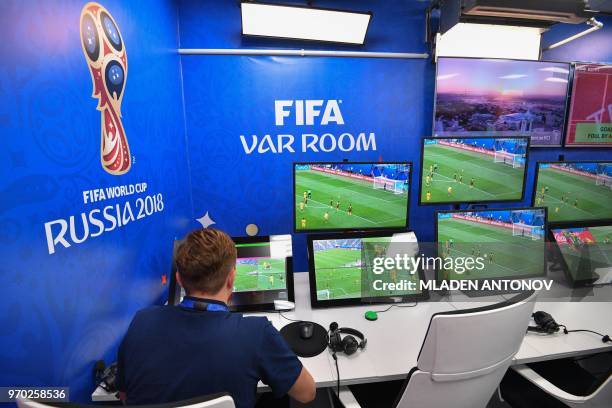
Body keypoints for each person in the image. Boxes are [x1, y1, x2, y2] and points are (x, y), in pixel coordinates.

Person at [116, 229, 315, 407]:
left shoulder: (142, 321)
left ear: (178, 279)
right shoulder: (256, 333)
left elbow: (125, 396)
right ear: (231, 278)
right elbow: (307, 393)